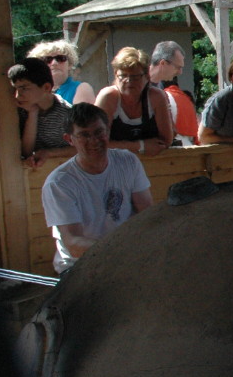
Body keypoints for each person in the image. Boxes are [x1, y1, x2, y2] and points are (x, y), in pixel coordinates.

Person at [41, 103, 153, 274]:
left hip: (124, 256)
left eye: (98, 132)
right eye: (84, 135)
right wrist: (117, 249)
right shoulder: (59, 183)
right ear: (69, 139)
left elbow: (147, 213)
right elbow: (73, 243)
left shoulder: (128, 162)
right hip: (78, 266)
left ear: (108, 131)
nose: (93, 141)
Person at [93, 47, 174, 156]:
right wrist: (141, 146)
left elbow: (166, 141)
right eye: (123, 76)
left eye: (135, 77)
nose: (129, 81)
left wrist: (120, 146)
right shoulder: (108, 97)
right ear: (116, 75)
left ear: (147, 77)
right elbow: (96, 142)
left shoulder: (156, 97)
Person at [8, 57, 74, 168]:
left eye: (24, 88)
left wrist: (49, 153)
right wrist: (32, 113)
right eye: (16, 89)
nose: (18, 96)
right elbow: (26, 152)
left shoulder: (67, 113)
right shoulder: (20, 112)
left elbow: (82, 147)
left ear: (46, 87)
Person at [148, 40, 199, 145]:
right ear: (163, 63)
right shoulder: (138, 84)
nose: (180, 72)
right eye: (178, 67)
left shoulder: (160, 87)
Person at [28, 39, 95, 105]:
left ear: (70, 64)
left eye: (61, 58)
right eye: (47, 59)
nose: (54, 63)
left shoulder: (82, 88)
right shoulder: (31, 92)